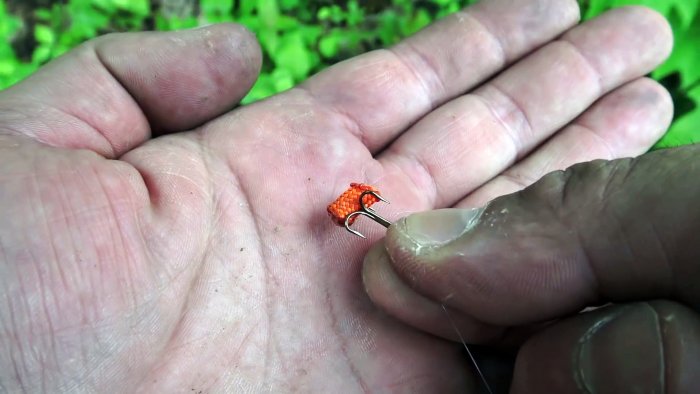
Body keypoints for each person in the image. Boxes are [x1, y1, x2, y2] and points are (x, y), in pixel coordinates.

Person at [0, 0, 694, 392]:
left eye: (355, 207)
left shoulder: (362, 209)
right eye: (353, 208)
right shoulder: (350, 210)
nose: (352, 208)